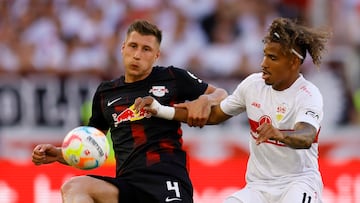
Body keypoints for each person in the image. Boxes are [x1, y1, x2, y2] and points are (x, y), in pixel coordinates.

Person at [136, 17, 331, 203]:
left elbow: (306, 135)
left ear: (293, 62)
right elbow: (213, 116)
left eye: (272, 58)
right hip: (259, 187)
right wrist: (160, 109)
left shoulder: (308, 94)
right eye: (264, 55)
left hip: (297, 183)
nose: (263, 64)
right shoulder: (253, 85)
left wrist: (279, 133)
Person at [31, 19, 227, 203]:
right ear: (123, 47)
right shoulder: (105, 92)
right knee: (74, 187)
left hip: (167, 179)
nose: (137, 55)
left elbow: (221, 93)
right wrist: (58, 154)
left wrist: (206, 99)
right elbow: (91, 145)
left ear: (156, 55)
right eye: (133, 46)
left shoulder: (172, 77)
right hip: (128, 185)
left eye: (146, 49)